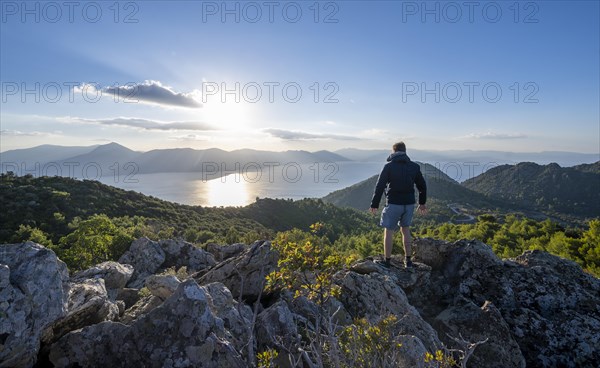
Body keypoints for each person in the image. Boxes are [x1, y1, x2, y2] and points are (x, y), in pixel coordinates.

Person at [369, 141, 427, 268]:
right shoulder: (414, 167)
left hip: (394, 203)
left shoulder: (388, 166)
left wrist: (374, 204)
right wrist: (422, 203)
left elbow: (380, 186)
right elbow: (422, 186)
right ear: (405, 151)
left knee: (388, 231)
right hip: (409, 204)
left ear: (393, 152)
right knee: (405, 229)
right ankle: (408, 261)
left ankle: (387, 261)